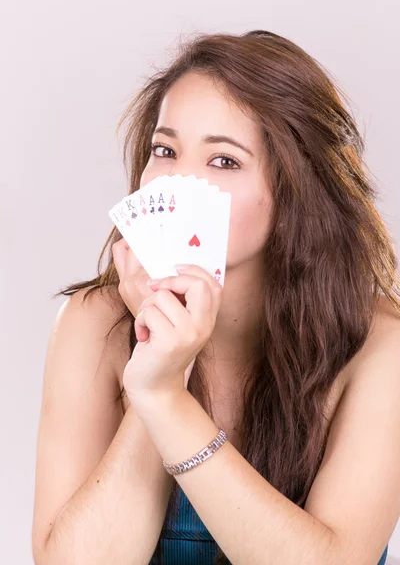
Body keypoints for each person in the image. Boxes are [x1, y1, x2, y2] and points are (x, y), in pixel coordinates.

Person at [31, 30, 400, 565]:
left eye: (223, 161)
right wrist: (162, 364)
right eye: (166, 150)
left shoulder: (381, 346)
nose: (178, 183)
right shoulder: (94, 325)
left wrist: (164, 400)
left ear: (295, 189)